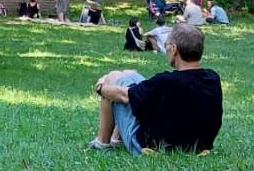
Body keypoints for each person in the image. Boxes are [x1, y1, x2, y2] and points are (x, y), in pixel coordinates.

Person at [88, 23, 223, 154]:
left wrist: (100, 88)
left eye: (166, 46)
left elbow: (124, 96)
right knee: (128, 75)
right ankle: (116, 139)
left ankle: (102, 143)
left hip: (153, 146)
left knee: (112, 78)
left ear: (174, 49)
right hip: (199, 145)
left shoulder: (166, 82)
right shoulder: (212, 78)